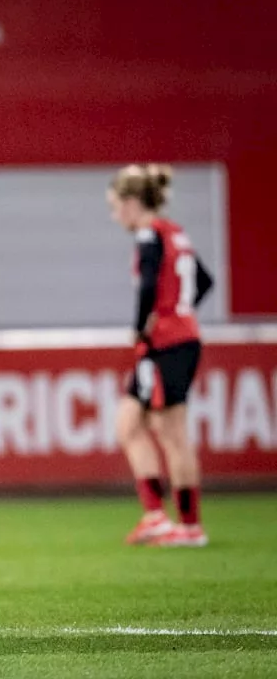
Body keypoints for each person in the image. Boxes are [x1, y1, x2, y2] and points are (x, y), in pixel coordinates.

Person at [108, 164, 213, 547]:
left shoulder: (150, 234)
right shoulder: (175, 233)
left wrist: (143, 325)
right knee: (129, 423)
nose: (116, 215)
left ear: (133, 203)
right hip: (176, 341)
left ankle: (189, 526)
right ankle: (156, 516)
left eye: (116, 206)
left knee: (172, 433)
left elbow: (149, 285)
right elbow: (203, 281)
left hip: (166, 344)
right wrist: (181, 310)